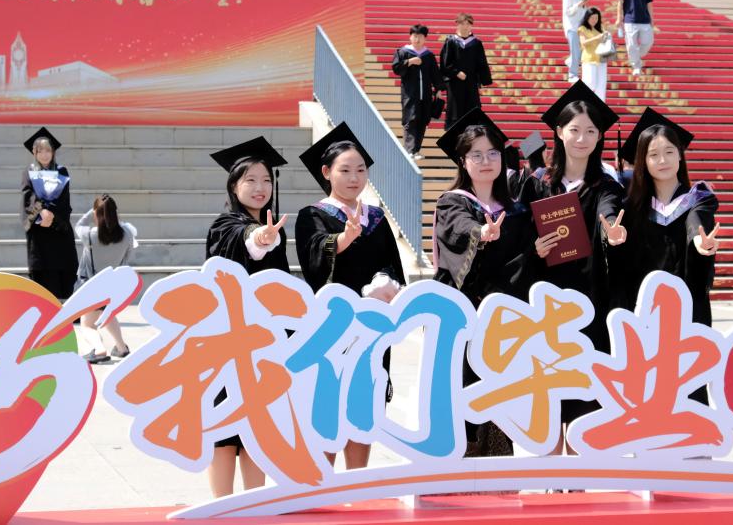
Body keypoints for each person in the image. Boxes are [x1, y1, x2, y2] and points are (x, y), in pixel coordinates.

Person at [519, 82, 628, 448]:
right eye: (575, 129)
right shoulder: (537, 184)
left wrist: (612, 232)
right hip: (544, 306)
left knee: (583, 398)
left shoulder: (605, 186)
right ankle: (550, 474)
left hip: (588, 305)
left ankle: (577, 474)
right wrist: (533, 248)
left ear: (599, 137)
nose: (582, 138)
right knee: (547, 397)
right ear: (559, 131)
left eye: (591, 131)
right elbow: (519, 236)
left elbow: (608, 211)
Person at [295, 122, 406, 469]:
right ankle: (324, 483)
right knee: (328, 403)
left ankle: (358, 482)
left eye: (360, 170)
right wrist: (344, 238)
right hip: (333, 329)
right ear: (326, 172)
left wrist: (386, 282)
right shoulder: (312, 215)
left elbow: (392, 264)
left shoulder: (376, 217)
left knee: (364, 402)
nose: (354, 178)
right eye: (345, 170)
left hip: (371, 328)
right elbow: (314, 259)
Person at [433, 107, 537, 457]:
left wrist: (535, 250)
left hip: (504, 319)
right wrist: (481, 232)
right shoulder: (452, 203)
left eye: (492, 153)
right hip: (467, 318)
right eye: (476, 155)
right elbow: (458, 229)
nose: (486, 161)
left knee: (501, 393)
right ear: (463, 162)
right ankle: (461, 467)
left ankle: (499, 472)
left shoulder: (517, 209)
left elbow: (522, 261)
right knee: (465, 389)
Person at [205, 136, 291, 498]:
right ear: (234, 185)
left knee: (258, 426)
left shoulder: (277, 231)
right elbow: (246, 239)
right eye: (251, 180)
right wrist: (260, 237)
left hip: (264, 344)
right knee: (224, 428)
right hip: (228, 343)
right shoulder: (225, 225)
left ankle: (252, 506)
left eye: (266, 180)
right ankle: (221, 507)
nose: (260, 187)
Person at [619, 108, 719, 405]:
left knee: (689, 384)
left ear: (680, 156)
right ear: (643, 161)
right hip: (644, 309)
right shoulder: (632, 208)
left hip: (687, 306)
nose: (662, 160)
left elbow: (697, 221)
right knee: (646, 386)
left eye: (669, 152)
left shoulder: (698, 199)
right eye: (653, 155)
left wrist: (700, 243)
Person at [74, 194, 136, 364]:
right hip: (113, 285)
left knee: (87, 325)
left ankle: (99, 350)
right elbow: (126, 258)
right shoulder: (128, 234)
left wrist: (93, 210)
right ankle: (122, 348)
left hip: (91, 285)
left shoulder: (89, 235)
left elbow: (78, 225)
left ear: (96, 213)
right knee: (107, 315)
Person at [20, 127, 79, 304]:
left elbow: (64, 201)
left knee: (65, 274)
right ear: (34, 152)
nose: (44, 155)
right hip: (39, 234)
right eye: (40, 151)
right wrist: (41, 212)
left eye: (48, 150)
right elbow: (28, 197)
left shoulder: (62, 172)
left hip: (59, 231)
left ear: (53, 152)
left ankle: (67, 311)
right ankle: (46, 311)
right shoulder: (29, 172)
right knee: (43, 277)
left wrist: (52, 217)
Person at [392, 24, 443, 159]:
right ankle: (409, 150)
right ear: (410, 37)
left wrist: (438, 89)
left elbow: (435, 74)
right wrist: (409, 62)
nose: (417, 39)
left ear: (425, 38)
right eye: (415, 36)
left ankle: (416, 151)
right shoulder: (403, 52)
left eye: (420, 36)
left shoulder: (428, 55)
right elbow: (396, 68)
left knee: (422, 121)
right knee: (411, 120)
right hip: (410, 94)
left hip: (425, 95)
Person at [439, 12, 492, 128]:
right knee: (455, 111)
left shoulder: (476, 43)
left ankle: (470, 135)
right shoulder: (450, 41)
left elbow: (481, 63)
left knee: (472, 110)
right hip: (455, 84)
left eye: (468, 24)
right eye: (462, 24)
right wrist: (456, 72)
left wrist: (483, 80)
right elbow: (445, 63)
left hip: (471, 82)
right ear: (457, 24)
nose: (465, 27)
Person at [614, 0, 657, 76]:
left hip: (645, 20)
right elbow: (620, 2)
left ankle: (635, 56)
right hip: (630, 20)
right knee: (631, 45)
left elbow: (649, 4)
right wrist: (619, 18)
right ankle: (636, 67)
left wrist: (652, 19)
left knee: (648, 42)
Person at [577, 7, 610, 101]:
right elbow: (583, 43)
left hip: (601, 60)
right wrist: (596, 38)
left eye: (596, 18)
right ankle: (582, 102)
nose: (594, 20)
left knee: (601, 85)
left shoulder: (600, 29)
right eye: (592, 18)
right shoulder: (582, 29)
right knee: (590, 83)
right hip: (589, 59)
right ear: (587, 17)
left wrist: (606, 38)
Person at [562, 0, 588, 84]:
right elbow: (568, 12)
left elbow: (583, 13)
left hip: (580, 28)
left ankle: (570, 61)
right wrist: (578, 5)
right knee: (575, 51)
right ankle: (572, 75)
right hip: (571, 27)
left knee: (580, 51)